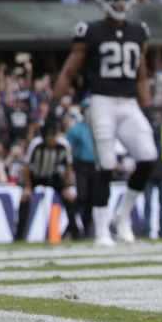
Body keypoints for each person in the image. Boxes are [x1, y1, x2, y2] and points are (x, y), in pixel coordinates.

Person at [46, 0, 159, 247]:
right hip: (101, 101)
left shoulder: (138, 31)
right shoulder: (91, 31)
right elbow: (69, 71)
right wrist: (53, 104)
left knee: (148, 157)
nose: (121, 5)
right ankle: (100, 231)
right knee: (105, 164)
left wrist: (148, 108)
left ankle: (122, 217)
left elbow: (142, 76)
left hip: (129, 102)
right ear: (103, 2)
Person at [15, 129, 78, 241]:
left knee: (69, 198)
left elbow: (69, 166)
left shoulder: (63, 145)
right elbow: (26, 166)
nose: (53, 140)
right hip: (35, 175)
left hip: (53, 175)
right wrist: (28, 187)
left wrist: (67, 186)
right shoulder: (36, 144)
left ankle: (75, 232)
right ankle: (19, 235)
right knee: (25, 198)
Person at [65, 99, 100, 239]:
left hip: (95, 166)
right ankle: (72, 226)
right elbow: (67, 148)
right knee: (82, 196)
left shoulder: (98, 127)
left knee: (91, 199)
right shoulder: (76, 129)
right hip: (81, 166)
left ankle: (87, 230)